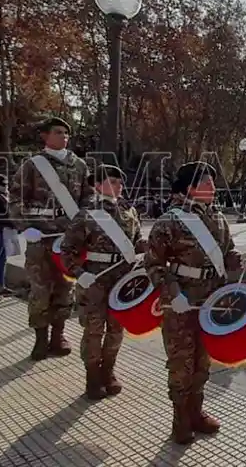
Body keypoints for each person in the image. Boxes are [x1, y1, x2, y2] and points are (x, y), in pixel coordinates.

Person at [144, 161, 246, 445]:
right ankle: (180, 421)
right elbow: (153, 263)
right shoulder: (171, 220)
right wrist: (172, 293)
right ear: (190, 187)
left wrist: (236, 260)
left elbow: (227, 252)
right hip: (181, 302)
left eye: (213, 183)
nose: (213, 188)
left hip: (211, 301)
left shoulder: (217, 218)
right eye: (206, 183)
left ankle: (196, 412)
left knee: (202, 361)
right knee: (181, 363)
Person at [9, 117, 92, 361]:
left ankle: (59, 335)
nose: (64, 137)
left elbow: (88, 199)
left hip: (69, 238)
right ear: (45, 136)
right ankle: (40, 339)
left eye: (66, 133)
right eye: (58, 132)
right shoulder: (33, 165)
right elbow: (15, 198)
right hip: (41, 237)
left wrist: (83, 228)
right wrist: (24, 228)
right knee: (40, 288)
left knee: (66, 288)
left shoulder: (79, 165)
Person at [60, 165, 145, 401]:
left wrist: (147, 250)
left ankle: (109, 370)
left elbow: (137, 241)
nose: (119, 185)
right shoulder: (86, 214)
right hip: (95, 279)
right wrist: (78, 273)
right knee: (94, 330)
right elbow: (67, 250)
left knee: (116, 329)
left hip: (123, 279)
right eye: (113, 181)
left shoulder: (130, 211)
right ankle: (92, 377)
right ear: (97, 185)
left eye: (120, 181)